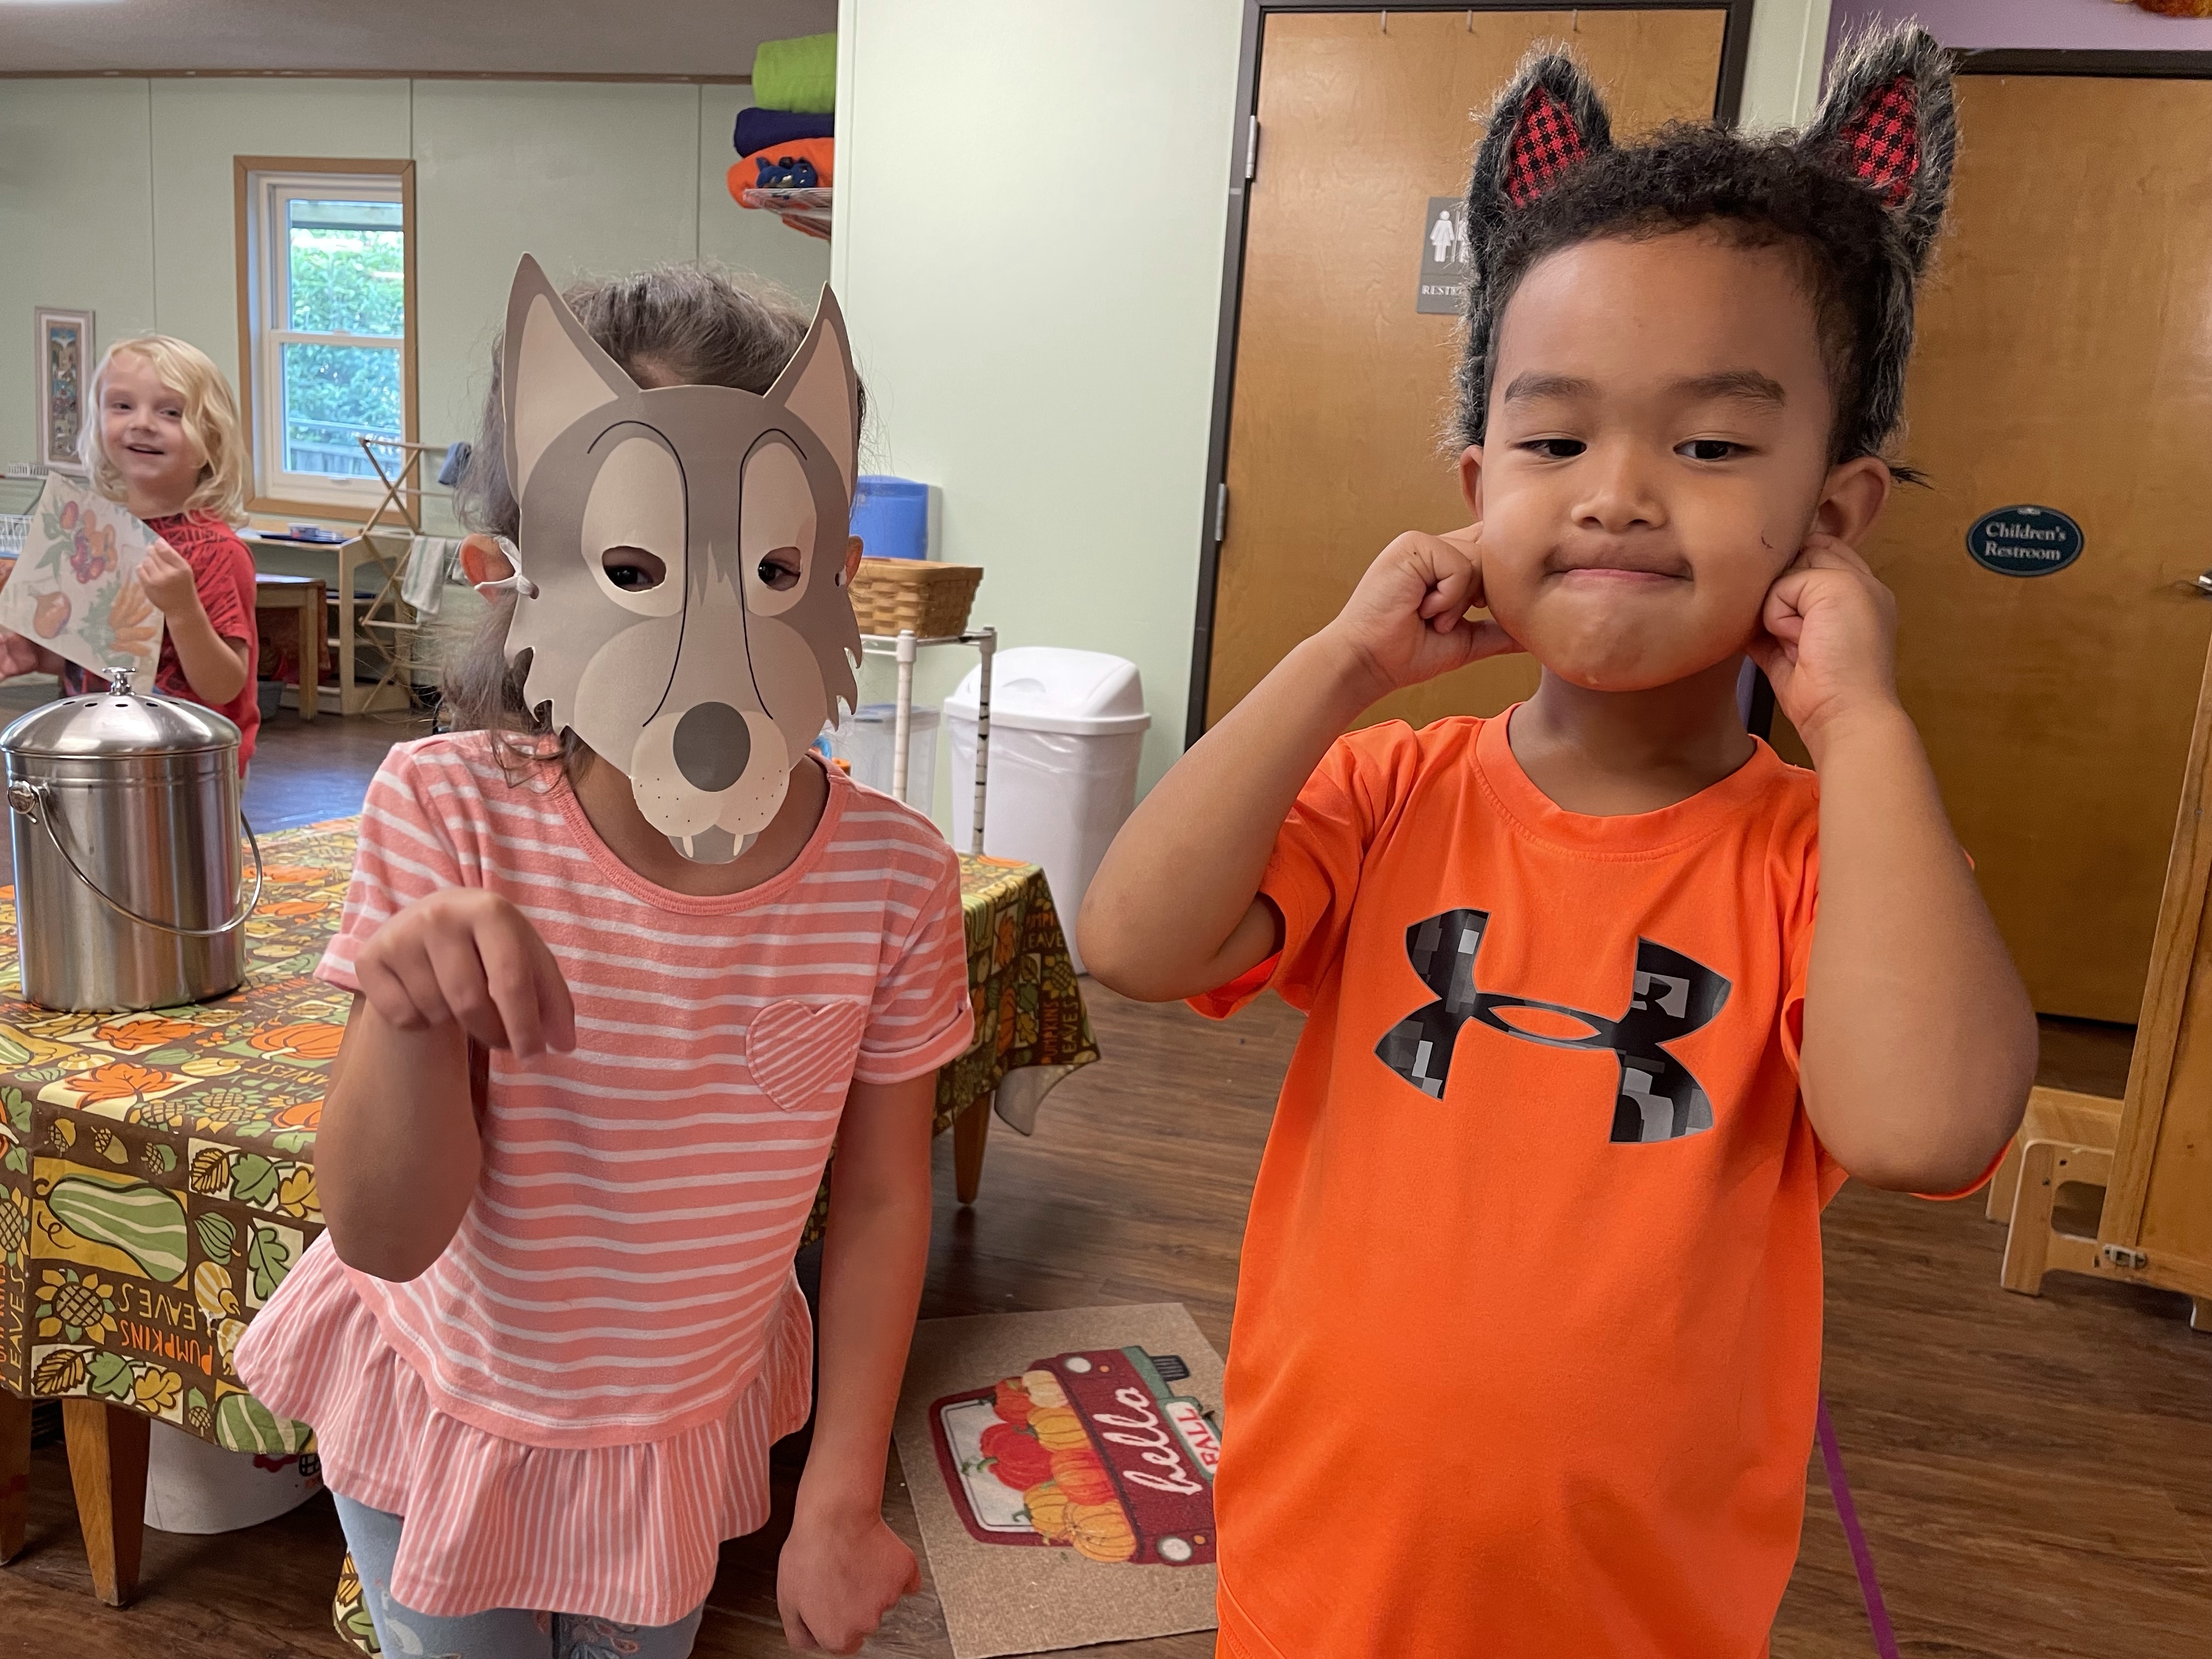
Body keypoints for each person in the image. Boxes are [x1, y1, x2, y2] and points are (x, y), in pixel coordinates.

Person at [1079, 28, 2034, 1659]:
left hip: (1636, 1612)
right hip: (1318, 1576)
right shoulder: (1393, 790)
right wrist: (1342, 663)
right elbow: (1131, 940)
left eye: (1713, 446)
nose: (1618, 494)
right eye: (1554, 441)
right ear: (1477, 484)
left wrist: (1864, 722)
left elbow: (1926, 1128)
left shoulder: (1832, 861)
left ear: (1831, 518)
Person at [235, 264, 975, 1659]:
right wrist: (410, 1008)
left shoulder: (892, 879)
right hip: (452, 1402)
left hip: (675, 1434)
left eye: (768, 569)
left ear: (837, 573)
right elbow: (386, 1234)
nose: (708, 631)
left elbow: (882, 1199)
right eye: (633, 570)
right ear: (508, 579)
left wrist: (839, 1495)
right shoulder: (447, 812)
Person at [0, 336, 260, 766]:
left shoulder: (216, 551)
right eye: (122, 406)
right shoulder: (99, 537)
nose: (142, 423)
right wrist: (38, 654)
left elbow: (223, 686)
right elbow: (103, 656)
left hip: (188, 767)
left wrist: (182, 610)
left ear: (211, 440)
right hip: (94, 750)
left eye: (171, 412)